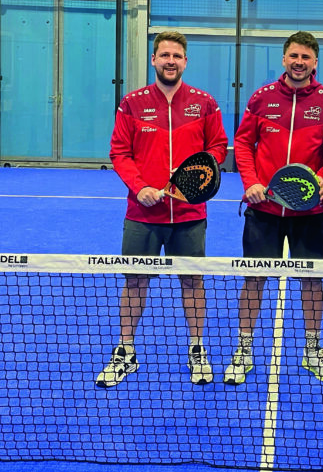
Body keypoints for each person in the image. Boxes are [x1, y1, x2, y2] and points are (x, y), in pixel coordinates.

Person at [96, 30, 228, 388]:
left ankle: (197, 349)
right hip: (143, 214)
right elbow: (119, 152)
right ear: (153, 60)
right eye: (164, 55)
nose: (171, 61)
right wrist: (140, 188)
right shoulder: (132, 103)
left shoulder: (204, 103)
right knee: (135, 281)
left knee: (192, 280)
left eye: (177, 56)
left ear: (186, 62)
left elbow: (218, 147)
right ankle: (125, 351)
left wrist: (194, 178)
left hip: (189, 214)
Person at [225, 32, 323, 385]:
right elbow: (243, 143)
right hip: (264, 208)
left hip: (309, 211)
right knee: (255, 278)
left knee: (311, 279)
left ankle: (312, 349)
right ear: (284, 58)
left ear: (315, 62)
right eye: (293, 55)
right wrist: (251, 184)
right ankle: (244, 349)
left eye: (306, 57)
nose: (299, 62)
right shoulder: (262, 98)